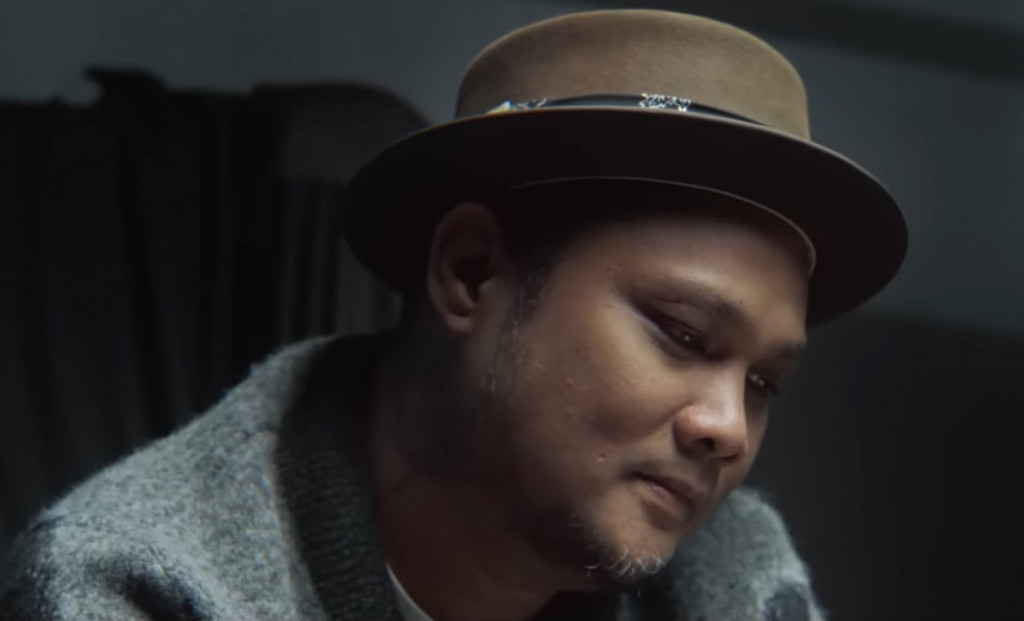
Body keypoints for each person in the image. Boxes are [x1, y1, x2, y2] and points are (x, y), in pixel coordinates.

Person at [0, 9, 906, 621]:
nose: (728, 428)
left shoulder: (735, 576)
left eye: (764, 382)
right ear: (471, 273)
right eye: (681, 333)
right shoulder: (136, 585)